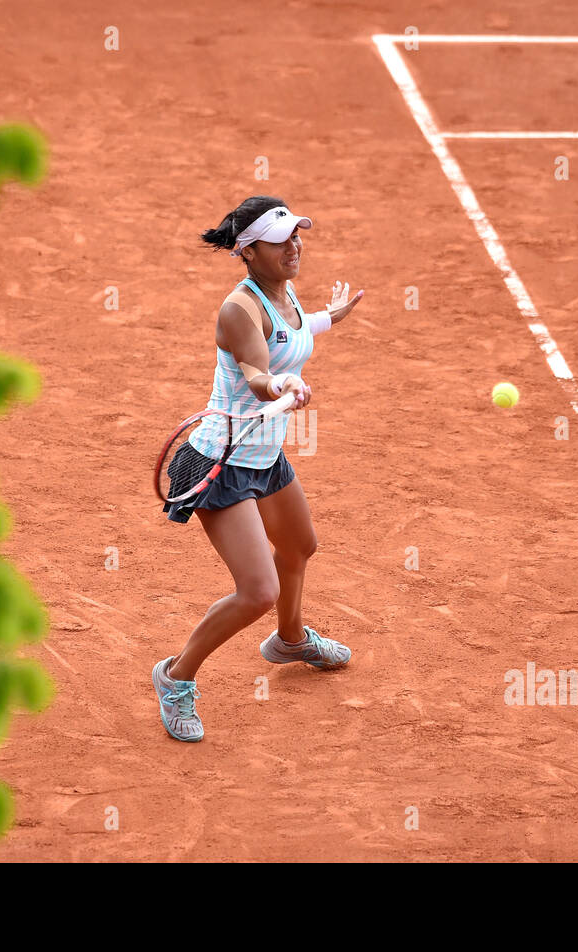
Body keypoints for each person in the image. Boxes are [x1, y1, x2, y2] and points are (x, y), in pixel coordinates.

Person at [152, 195, 365, 742]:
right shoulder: (238, 309)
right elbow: (257, 374)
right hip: (220, 463)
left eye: (297, 234)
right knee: (257, 592)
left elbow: (291, 333)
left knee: (299, 547)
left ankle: (290, 641)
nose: (294, 246)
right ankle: (175, 677)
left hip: (265, 456)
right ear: (248, 253)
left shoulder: (283, 291)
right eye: (280, 240)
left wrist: (328, 318)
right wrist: (283, 386)